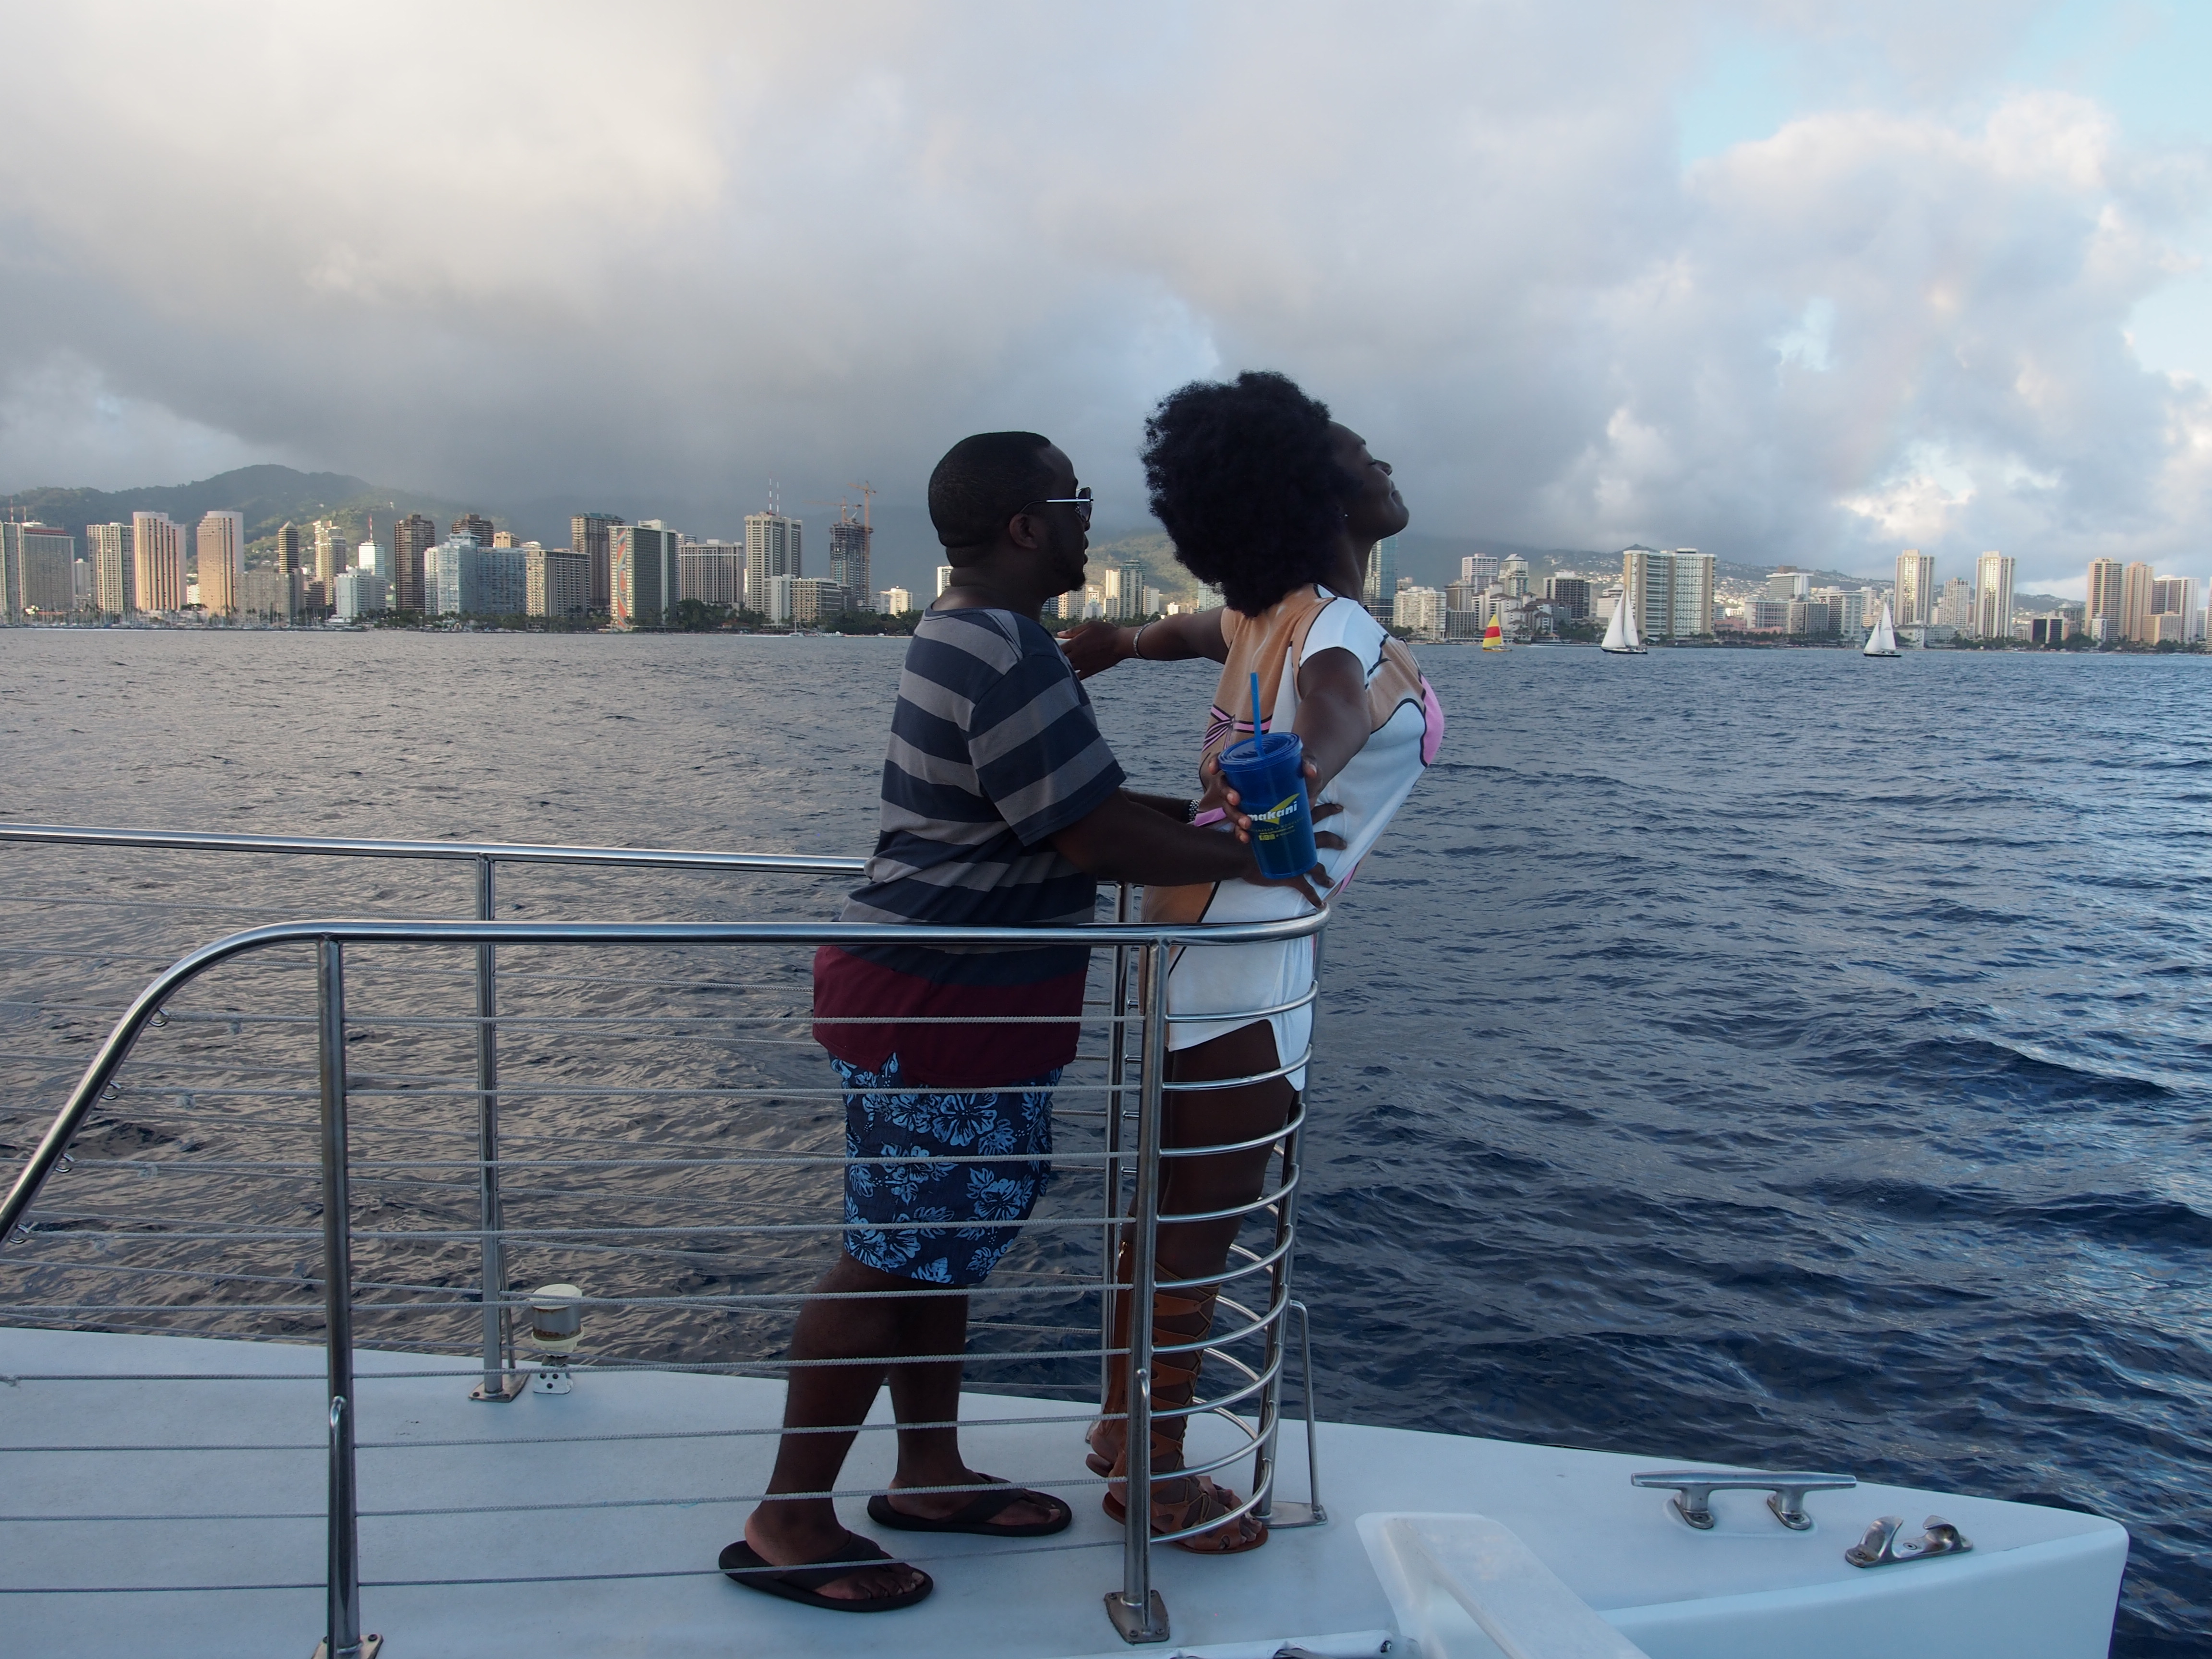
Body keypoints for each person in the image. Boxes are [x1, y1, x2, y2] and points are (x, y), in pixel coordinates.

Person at [723, 431, 1313, 1613]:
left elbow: (1071, 807)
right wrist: (1258, 857)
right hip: (940, 999)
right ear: (1027, 526)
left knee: (931, 1247)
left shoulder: (984, 636)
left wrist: (1205, 833)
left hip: (952, 996)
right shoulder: (1004, 650)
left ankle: (928, 1471)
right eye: (1076, 500)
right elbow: (1090, 837)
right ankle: (789, 1519)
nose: (1091, 518)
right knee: (889, 1256)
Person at [1059, 370, 1443, 1553]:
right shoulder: (1338, 632)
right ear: (1317, 495)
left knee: (1172, 1200)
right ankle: (1155, 1478)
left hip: (1188, 934)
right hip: (1248, 954)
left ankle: (1123, 1429)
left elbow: (1187, 631)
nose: (1383, 463)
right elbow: (1333, 709)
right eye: (1359, 454)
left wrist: (1117, 645)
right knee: (1205, 1213)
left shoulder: (1262, 615)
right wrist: (1298, 770)